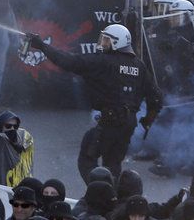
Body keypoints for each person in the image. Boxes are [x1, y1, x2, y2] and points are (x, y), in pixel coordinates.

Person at [28, 24, 161, 178]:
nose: (102, 43)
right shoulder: (139, 65)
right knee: (113, 163)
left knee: (87, 158)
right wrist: (148, 120)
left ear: (117, 43)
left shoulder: (103, 62)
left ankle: (99, 193)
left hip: (110, 121)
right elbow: (156, 97)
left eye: (106, 40)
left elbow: (69, 62)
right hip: (128, 124)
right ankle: (113, 196)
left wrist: (43, 46)